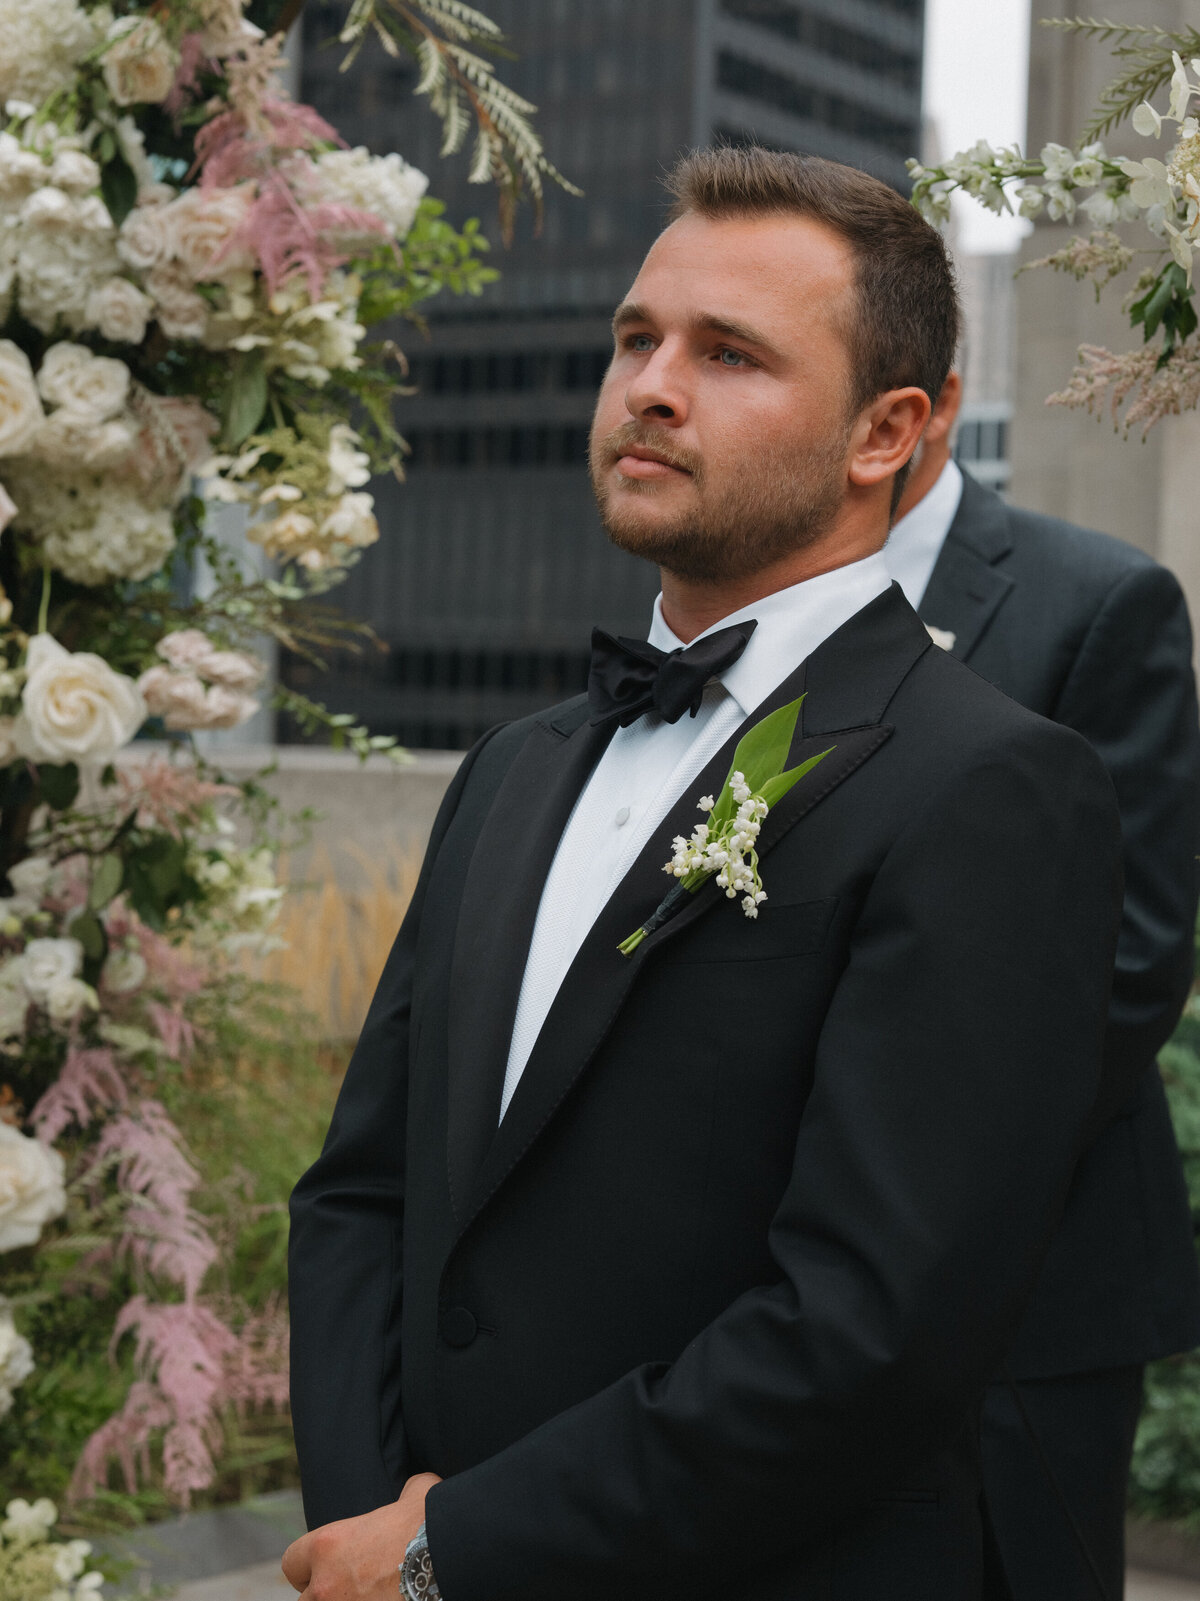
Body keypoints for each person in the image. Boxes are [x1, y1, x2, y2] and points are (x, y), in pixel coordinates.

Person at [284, 147, 1125, 1601]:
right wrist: (367, 1528)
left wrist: (456, 1546)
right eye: (637, 339)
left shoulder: (990, 788)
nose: (653, 387)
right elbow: (362, 1195)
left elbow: (869, 1331)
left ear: (887, 433)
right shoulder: (514, 767)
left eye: (729, 353)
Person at [888, 376, 1200, 1600]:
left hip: (1031, 1283)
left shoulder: (1100, 598)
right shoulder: (747, 599)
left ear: (927, 405)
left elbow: (1130, 957)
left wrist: (874, 1184)